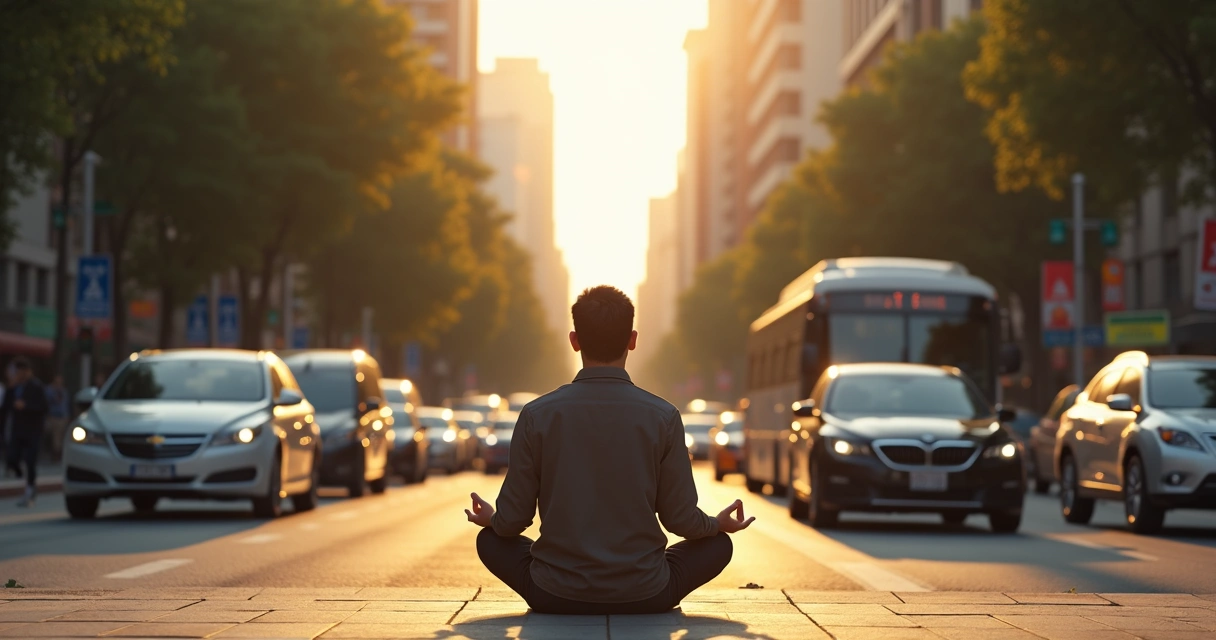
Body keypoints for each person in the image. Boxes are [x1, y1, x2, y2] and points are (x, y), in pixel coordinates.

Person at [467, 285, 754, 615]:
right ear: (632, 340)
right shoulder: (664, 416)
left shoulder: (537, 415)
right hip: (646, 592)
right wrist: (715, 525)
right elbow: (681, 520)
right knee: (718, 546)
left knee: (489, 541)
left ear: (575, 341)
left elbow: (513, 521)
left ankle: (558, 583)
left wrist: (493, 520)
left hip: (553, 592)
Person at [0, 357, 48, 506]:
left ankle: (30, 488)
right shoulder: (14, 387)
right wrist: (10, 387)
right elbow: (6, 407)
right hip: (17, 430)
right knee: (12, 458)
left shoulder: (36, 386)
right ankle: (21, 476)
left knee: (30, 460)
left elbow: (43, 407)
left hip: (33, 430)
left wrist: (26, 406)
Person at [44, 375, 69, 461]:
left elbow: (65, 404)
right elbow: (46, 403)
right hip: (52, 417)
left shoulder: (63, 391)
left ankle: (57, 454)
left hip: (62, 417)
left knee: (59, 437)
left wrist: (67, 416)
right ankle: (54, 455)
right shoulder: (49, 391)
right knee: (54, 437)